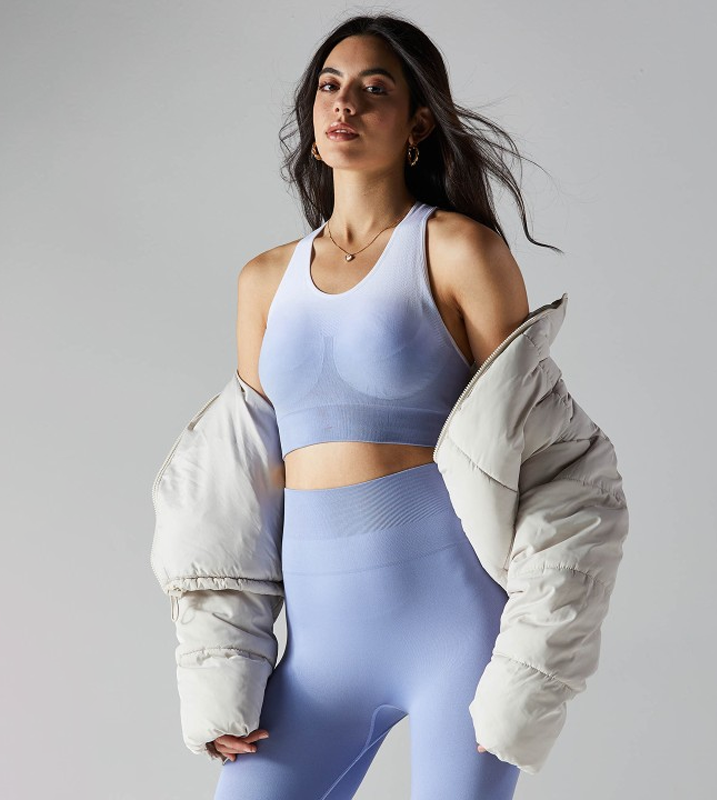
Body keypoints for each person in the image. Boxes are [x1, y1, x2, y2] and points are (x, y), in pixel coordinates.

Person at [208, 12, 563, 800]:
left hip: (457, 637)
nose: (346, 103)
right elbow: (240, 489)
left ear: (418, 124)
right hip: (318, 657)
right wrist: (224, 670)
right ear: (311, 116)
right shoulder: (263, 281)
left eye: (375, 89)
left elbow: (542, 458)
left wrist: (532, 662)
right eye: (330, 86)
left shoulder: (461, 252)